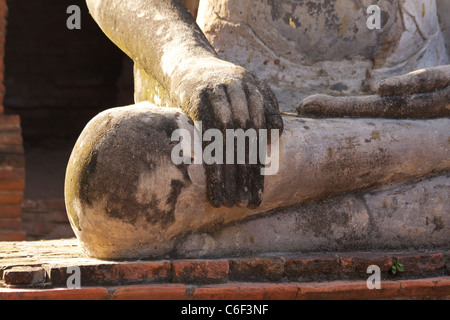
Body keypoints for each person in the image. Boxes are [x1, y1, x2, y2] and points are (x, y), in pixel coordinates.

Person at [85, 0, 449, 208]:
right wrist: (191, 62)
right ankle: (410, 172)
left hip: (421, 114)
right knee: (120, 162)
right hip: (250, 125)